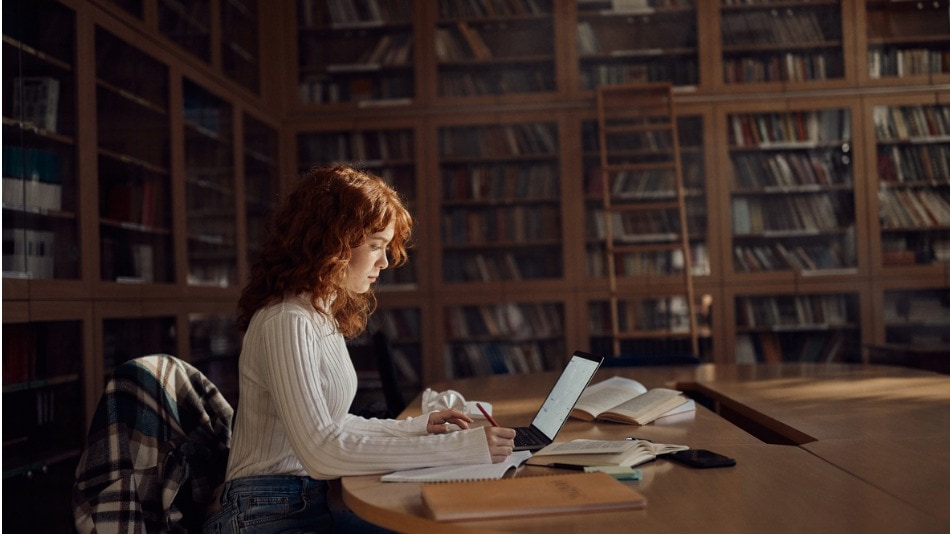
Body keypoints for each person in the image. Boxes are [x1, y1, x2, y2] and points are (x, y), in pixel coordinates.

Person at [203, 165, 516, 533]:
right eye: (375, 246)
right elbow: (321, 450)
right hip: (261, 512)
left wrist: (417, 428)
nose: (384, 262)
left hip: (299, 500)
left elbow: (332, 424)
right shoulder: (286, 320)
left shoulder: (318, 315)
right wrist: (462, 448)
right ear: (333, 242)